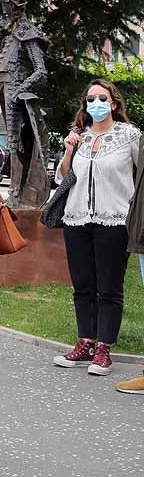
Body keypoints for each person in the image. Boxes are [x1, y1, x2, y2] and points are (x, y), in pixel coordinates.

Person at [53, 79, 140, 377]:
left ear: (114, 103)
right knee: (83, 286)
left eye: (102, 98)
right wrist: (68, 150)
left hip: (114, 220)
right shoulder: (81, 137)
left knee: (109, 287)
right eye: (90, 99)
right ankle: (85, 342)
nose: (96, 104)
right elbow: (65, 177)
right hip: (77, 218)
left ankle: (104, 348)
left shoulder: (130, 136)